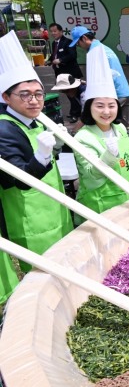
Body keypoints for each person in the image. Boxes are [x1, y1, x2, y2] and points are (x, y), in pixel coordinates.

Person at [0, 31, 73, 302]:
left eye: (38, 94)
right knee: (43, 277)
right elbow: (17, 179)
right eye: (25, 95)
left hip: (55, 209)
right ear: (6, 97)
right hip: (31, 218)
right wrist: (42, 155)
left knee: (65, 265)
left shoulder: (38, 120)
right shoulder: (4, 130)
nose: (34, 100)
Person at [73, 46, 129, 225]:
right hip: (103, 205)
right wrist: (108, 157)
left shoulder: (120, 128)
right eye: (99, 106)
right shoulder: (82, 138)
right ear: (89, 108)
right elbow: (90, 177)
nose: (106, 111)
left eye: (111, 105)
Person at [70, 27, 129, 136]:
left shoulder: (94, 52)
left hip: (114, 93)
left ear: (84, 38)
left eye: (78, 43)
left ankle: (73, 135)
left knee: (99, 117)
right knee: (124, 124)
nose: (79, 46)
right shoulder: (104, 48)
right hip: (124, 91)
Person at [47, 23, 83, 122]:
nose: (53, 33)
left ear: (61, 31)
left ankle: (76, 114)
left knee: (74, 94)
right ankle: (76, 112)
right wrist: (49, 60)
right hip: (60, 74)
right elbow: (54, 55)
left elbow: (72, 55)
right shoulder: (54, 43)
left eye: (55, 31)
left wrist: (61, 60)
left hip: (71, 73)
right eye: (51, 31)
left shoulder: (68, 42)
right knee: (69, 95)